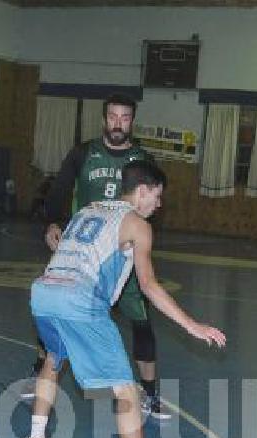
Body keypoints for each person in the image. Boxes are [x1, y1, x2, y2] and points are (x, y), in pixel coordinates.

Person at [21, 160, 226, 438]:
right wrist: (193, 325)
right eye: (157, 196)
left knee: (53, 361)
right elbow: (148, 286)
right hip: (79, 301)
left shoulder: (89, 209)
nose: (158, 205)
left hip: (43, 293)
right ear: (142, 189)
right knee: (126, 389)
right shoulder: (137, 224)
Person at [24, 93, 170, 420]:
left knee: (142, 321)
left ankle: (150, 393)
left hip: (122, 251)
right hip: (86, 253)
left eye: (125, 117)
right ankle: (40, 369)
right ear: (104, 119)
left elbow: (152, 204)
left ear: (132, 121)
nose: (118, 123)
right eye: (113, 116)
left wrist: (140, 238)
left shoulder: (141, 158)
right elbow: (60, 188)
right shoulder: (84, 152)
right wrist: (53, 221)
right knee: (58, 310)